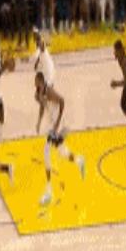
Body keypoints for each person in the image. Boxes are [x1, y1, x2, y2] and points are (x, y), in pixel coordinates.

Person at [35, 72, 85, 206]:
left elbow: (62, 101)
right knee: (62, 151)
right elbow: (42, 106)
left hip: (60, 124)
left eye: (36, 82)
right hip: (53, 125)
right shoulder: (39, 93)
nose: (35, 84)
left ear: (41, 81)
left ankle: (49, 191)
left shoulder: (49, 91)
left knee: (46, 152)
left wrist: (57, 122)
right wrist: (39, 121)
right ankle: (79, 161)